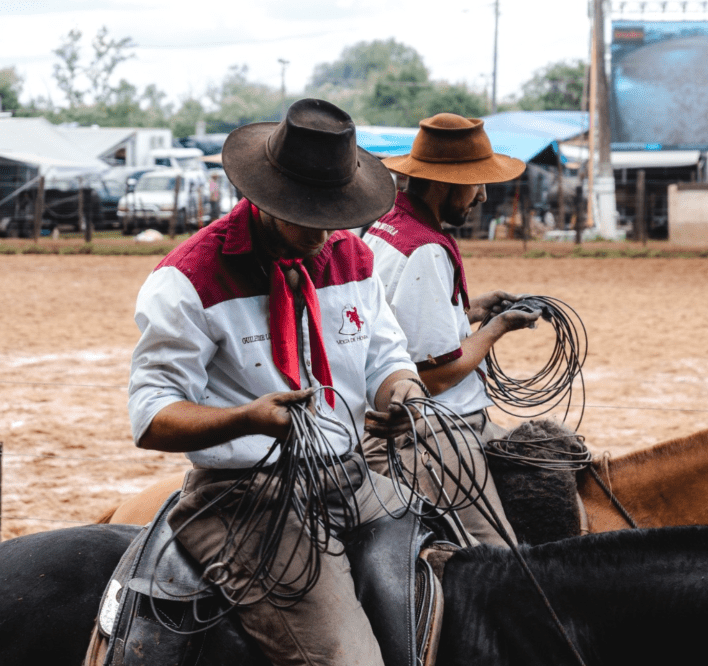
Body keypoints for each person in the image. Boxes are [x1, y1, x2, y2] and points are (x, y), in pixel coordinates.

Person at [128, 98, 426, 666]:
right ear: (262, 199)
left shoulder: (354, 258)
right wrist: (246, 418)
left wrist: (403, 395)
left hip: (351, 477)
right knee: (347, 660)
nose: (323, 233)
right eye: (305, 215)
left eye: (335, 214)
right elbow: (151, 415)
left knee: (461, 571)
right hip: (247, 500)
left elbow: (387, 358)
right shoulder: (189, 279)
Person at [361, 113, 539, 548]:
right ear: (446, 183)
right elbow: (434, 376)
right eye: (477, 182)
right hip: (431, 432)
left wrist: (473, 309)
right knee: (500, 559)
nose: (482, 195)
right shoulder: (423, 249)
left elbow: (404, 321)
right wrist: (497, 327)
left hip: (428, 421)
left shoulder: (389, 228)